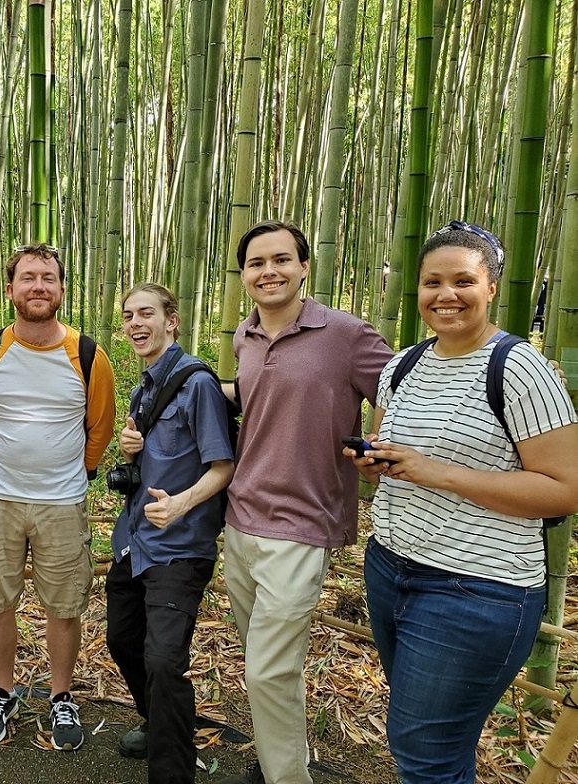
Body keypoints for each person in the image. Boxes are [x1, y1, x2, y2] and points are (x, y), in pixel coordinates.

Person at [346, 221, 578, 784]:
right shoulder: (404, 363)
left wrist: (439, 473)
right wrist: (377, 461)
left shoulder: (520, 369)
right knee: (429, 744)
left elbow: (566, 487)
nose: (445, 295)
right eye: (432, 282)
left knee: (424, 752)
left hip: (477, 589)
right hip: (391, 568)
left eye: (462, 281)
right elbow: (396, 456)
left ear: (491, 287)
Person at [218, 220, 394, 784]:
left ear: (303, 266)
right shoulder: (244, 337)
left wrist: (376, 445)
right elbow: (251, 400)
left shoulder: (345, 334)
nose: (268, 271)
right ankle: (280, 764)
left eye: (281, 260)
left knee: (267, 670)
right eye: (255, 263)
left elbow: (400, 389)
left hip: (302, 523)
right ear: (243, 275)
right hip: (241, 518)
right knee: (270, 665)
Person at [0, 243, 115, 750]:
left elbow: (99, 428)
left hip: (63, 502)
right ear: (10, 290)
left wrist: (72, 473)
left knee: (64, 605)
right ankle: (2, 692)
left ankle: (60, 695)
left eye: (48, 278)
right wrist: (1, 470)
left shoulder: (89, 355)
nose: (38, 286)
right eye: (28, 278)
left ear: (62, 289)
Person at [106, 283, 234, 784]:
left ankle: (173, 771)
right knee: (122, 641)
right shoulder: (143, 388)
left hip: (179, 548)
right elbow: (149, 464)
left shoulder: (196, 383)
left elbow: (222, 466)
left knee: (163, 659)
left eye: (146, 314)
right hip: (135, 541)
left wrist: (181, 504)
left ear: (171, 321)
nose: (136, 323)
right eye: (128, 315)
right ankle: (159, 720)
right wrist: (128, 449)